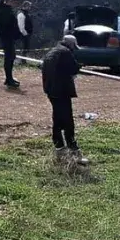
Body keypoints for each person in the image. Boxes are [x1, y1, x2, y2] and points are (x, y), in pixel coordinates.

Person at [42, 35, 88, 165]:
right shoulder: (66, 52)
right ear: (71, 45)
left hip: (50, 90)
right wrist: (79, 66)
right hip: (61, 90)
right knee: (68, 121)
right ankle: (74, 153)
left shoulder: (53, 51)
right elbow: (73, 68)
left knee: (57, 119)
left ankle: (59, 149)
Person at [0, 0, 23, 88]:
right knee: (9, 57)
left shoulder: (6, 10)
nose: (15, 4)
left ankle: (9, 78)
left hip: (9, 36)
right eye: (14, 1)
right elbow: (6, 24)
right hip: (6, 36)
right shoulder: (3, 11)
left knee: (11, 57)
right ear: (9, 1)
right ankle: (8, 79)